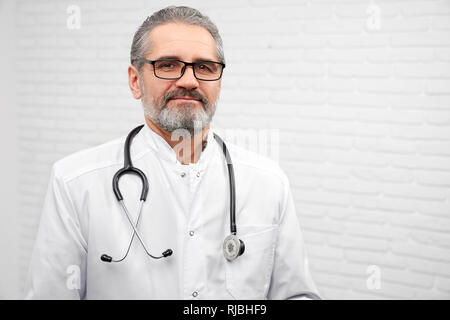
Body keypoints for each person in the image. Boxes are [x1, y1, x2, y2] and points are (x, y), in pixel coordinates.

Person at [25, 5, 320, 300]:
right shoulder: (76, 183)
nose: (189, 81)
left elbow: (296, 294)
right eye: (167, 64)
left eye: (204, 67)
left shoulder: (268, 182)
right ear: (134, 80)